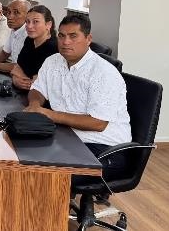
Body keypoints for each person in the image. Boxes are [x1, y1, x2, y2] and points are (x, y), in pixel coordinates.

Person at [25, 15, 130, 181]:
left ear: (88, 39)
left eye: (73, 36)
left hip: (103, 148)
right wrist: (34, 105)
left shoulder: (103, 73)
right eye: (61, 36)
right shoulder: (52, 61)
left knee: (42, 177)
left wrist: (48, 114)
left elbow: (98, 123)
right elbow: (37, 89)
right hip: (65, 137)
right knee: (19, 156)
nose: (66, 42)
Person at [10, 5, 59, 90]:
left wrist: (19, 76)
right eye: (27, 22)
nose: (29, 26)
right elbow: (16, 68)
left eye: (35, 22)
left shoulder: (54, 48)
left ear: (48, 24)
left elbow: (37, 84)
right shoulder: (29, 40)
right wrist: (15, 79)